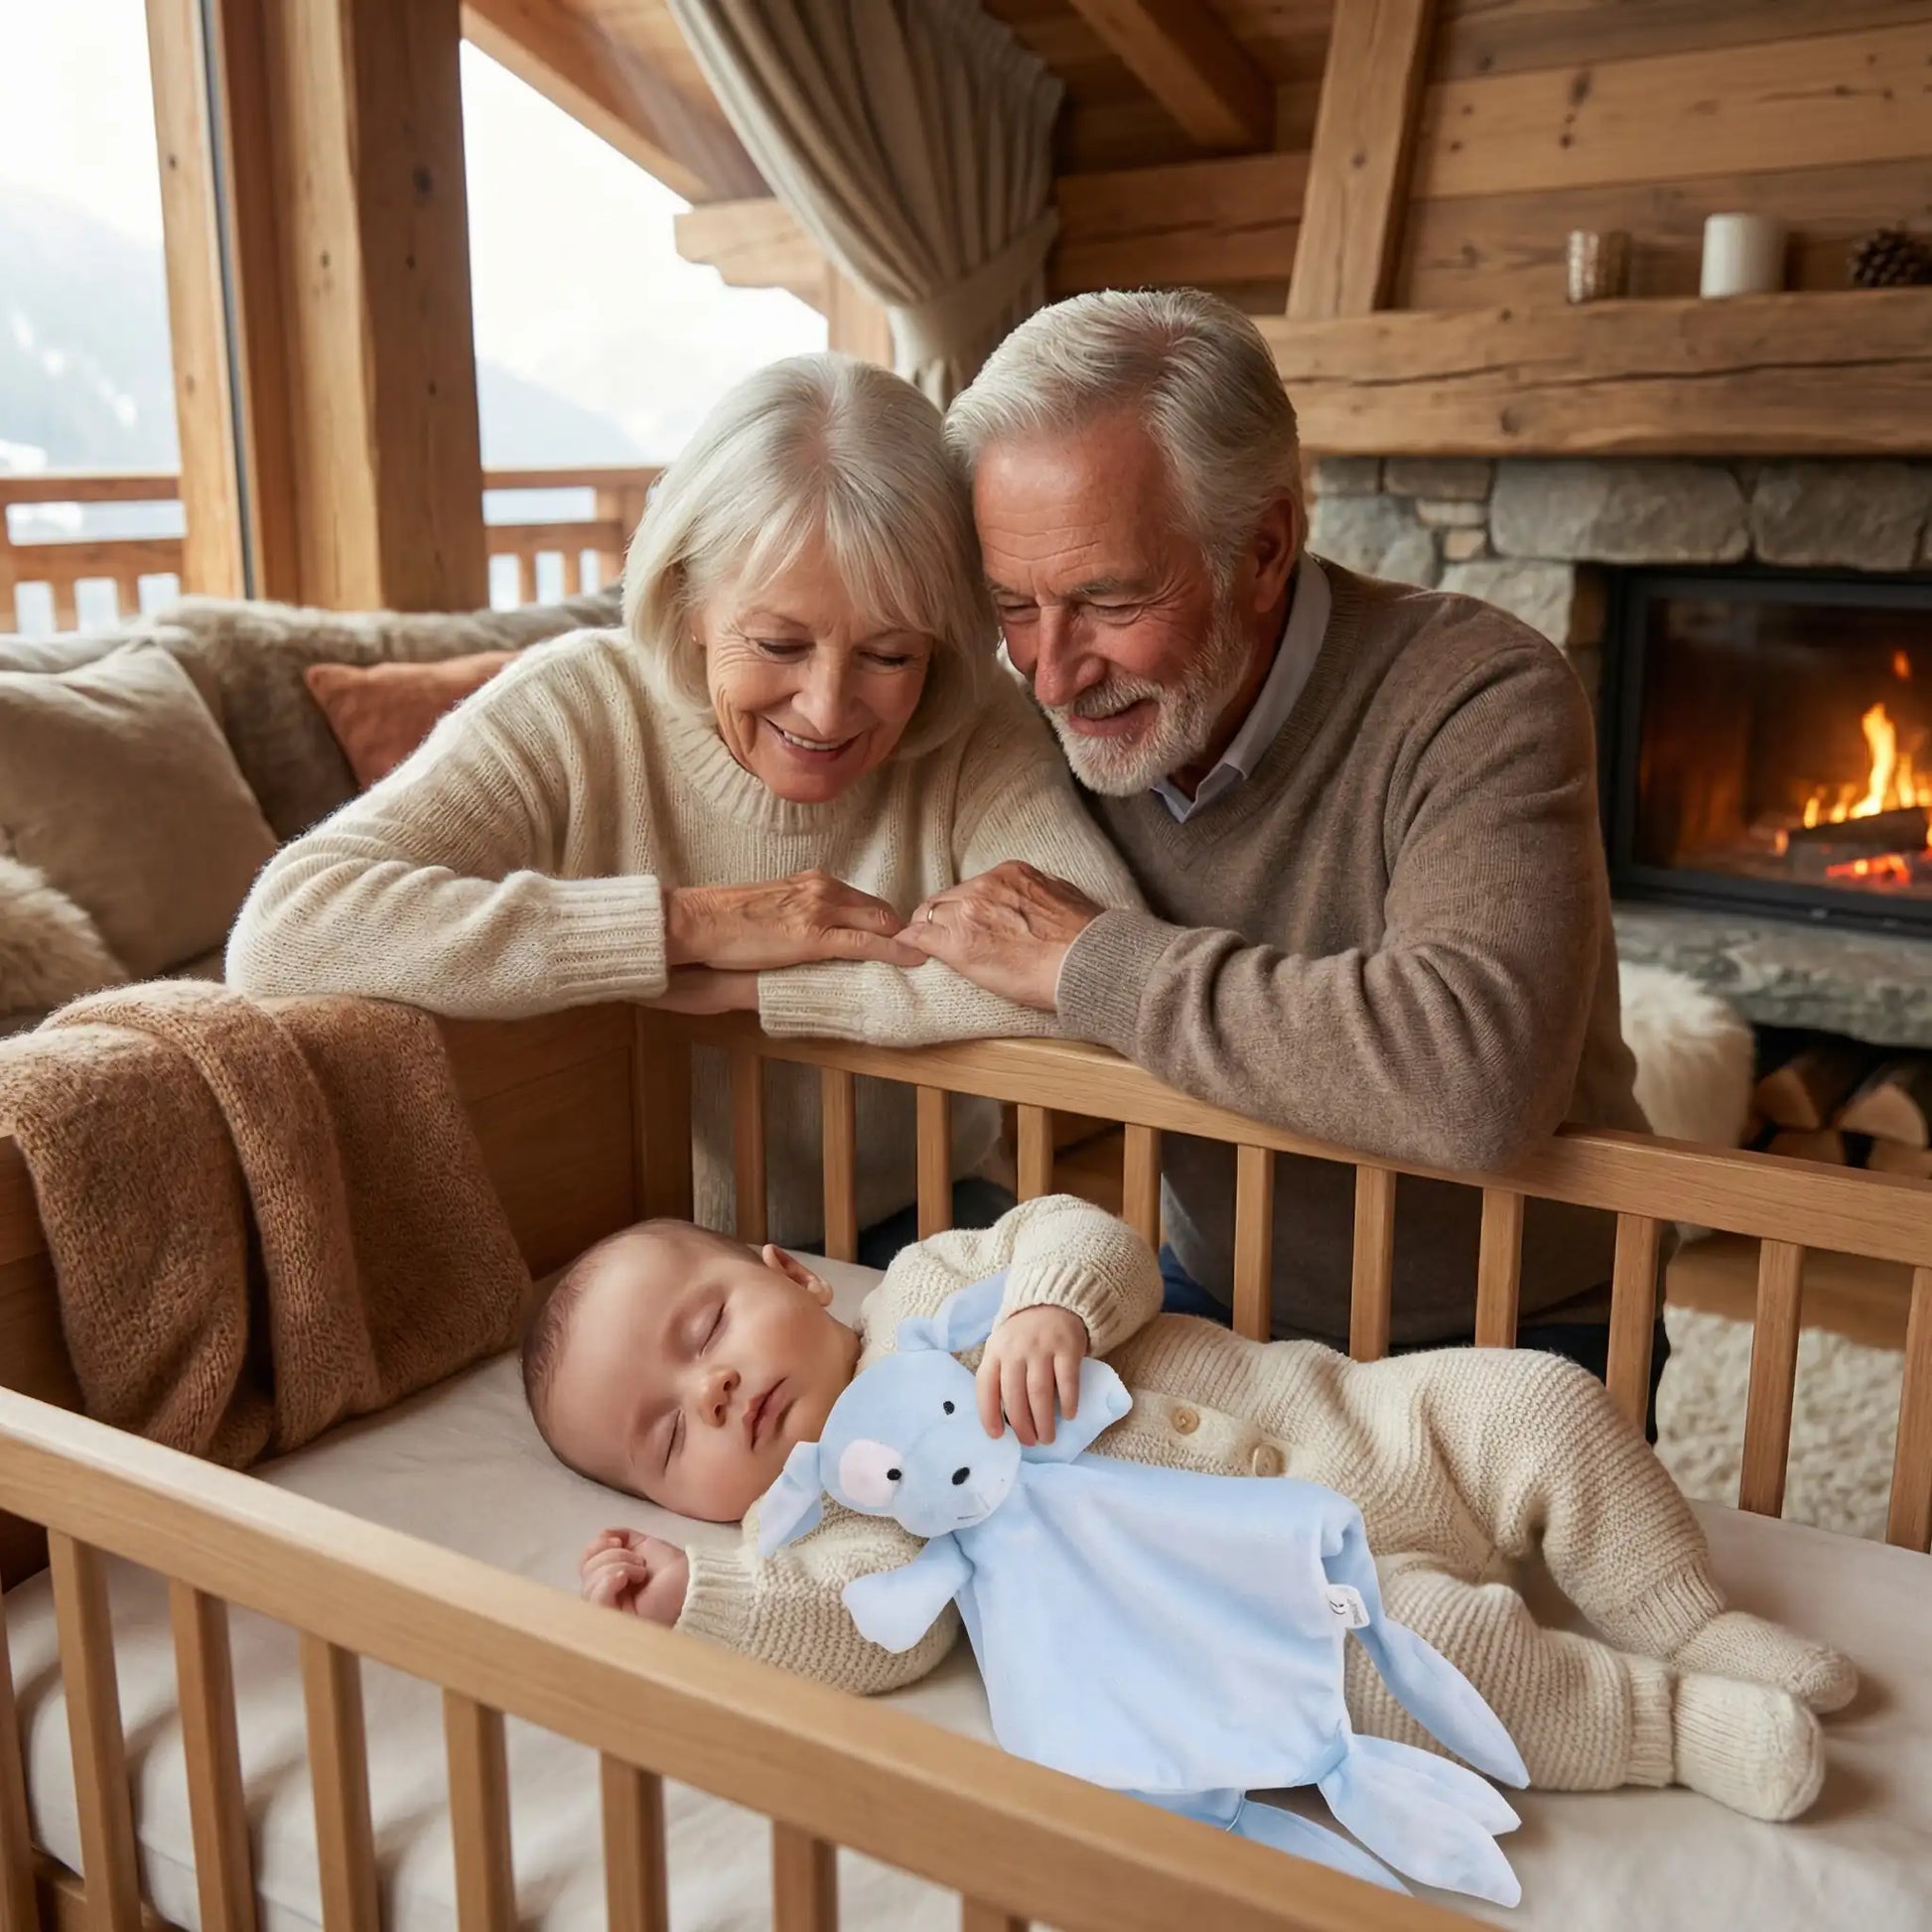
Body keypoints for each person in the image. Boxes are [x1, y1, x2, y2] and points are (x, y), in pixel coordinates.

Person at [896, 289, 1659, 1404]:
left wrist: (1089, 962)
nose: (1051, 675)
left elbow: (1472, 1078)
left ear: (1263, 548)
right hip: (1222, 1281)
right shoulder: (1034, 720)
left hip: (1520, 1319)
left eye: (1109, 600)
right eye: (1013, 605)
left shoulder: (1483, 692)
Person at [226, 353, 1140, 1265]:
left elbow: (1106, 971)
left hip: (924, 1216)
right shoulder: (574, 707)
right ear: (690, 597)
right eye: (778, 644)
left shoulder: (976, 728)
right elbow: (287, 930)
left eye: (889, 655)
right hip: (641, 1248)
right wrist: (686, 925)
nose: (827, 710)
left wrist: (767, 993)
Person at [540, 1198, 1853, 1823]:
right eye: (668, 1435)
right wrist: (698, 1595)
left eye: (705, 1328)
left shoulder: (932, 1277)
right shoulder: (847, 1519)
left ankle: (1691, 1622)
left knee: (1545, 1402)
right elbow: (856, 1630)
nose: (713, 1388)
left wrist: (1051, 1304)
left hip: (1360, 1422)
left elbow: (1088, 1233)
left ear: (792, 1274)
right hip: (1280, 1596)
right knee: (1431, 1661)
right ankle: (1668, 1721)